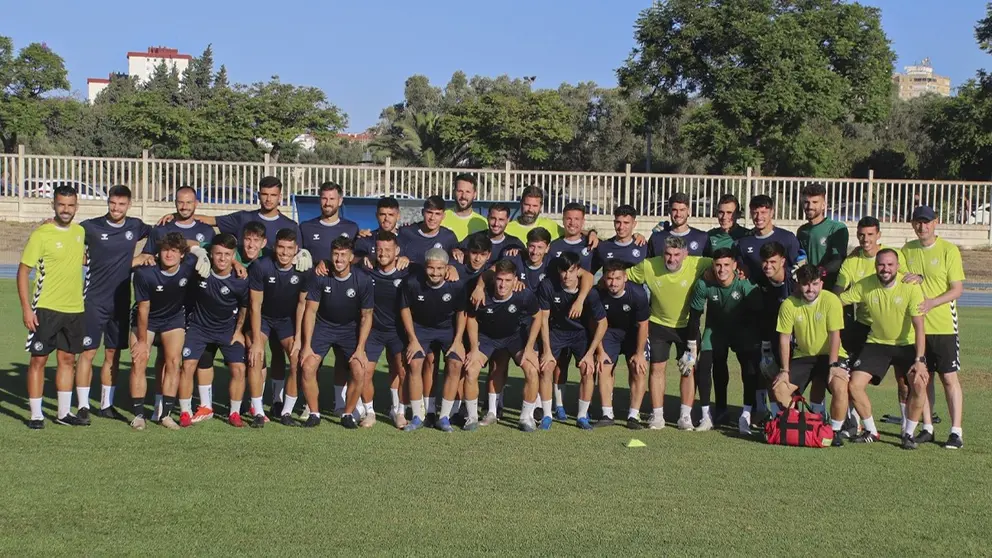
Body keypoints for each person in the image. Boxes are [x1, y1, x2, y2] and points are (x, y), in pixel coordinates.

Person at [838, 249, 927, 448]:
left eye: (890, 265)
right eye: (881, 265)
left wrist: (920, 360)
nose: (885, 269)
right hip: (877, 343)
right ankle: (871, 430)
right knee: (854, 385)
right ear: (876, 266)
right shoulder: (865, 284)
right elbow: (839, 300)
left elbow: (920, 327)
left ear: (897, 266)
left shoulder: (910, 287)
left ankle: (909, 434)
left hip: (907, 344)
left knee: (918, 384)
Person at [77, 185, 151, 422]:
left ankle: (106, 405)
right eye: (112, 203)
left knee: (113, 353)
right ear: (107, 202)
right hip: (93, 301)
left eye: (121, 204)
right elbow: (68, 235)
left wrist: (141, 257)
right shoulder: (91, 227)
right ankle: (82, 405)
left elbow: (159, 234)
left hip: (120, 302)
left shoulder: (135, 226)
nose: (116, 208)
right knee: (87, 352)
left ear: (129, 205)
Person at [17, 185, 87, 429]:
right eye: (61, 205)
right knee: (39, 360)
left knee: (68, 359)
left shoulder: (80, 232)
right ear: (53, 205)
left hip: (74, 309)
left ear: (76, 207)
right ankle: (36, 414)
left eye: (70, 205)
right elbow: (23, 271)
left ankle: (64, 412)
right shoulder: (42, 234)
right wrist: (27, 309)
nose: (65, 210)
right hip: (46, 308)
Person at [164, 234, 249, 428]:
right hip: (199, 328)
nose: (222, 258)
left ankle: (234, 413)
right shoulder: (200, 270)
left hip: (227, 330)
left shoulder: (240, 280)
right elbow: (184, 246)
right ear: (211, 254)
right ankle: (185, 412)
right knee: (187, 365)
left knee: (239, 369)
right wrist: (199, 252)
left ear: (233, 255)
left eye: (227, 254)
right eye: (218, 253)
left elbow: (244, 307)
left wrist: (238, 331)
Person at [626, 236, 711, 430]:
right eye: (667, 254)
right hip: (657, 325)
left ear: (686, 255)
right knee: (657, 369)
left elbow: (725, 265)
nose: (671, 259)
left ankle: (685, 416)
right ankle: (657, 416)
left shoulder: (699, 263)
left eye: (676, 255)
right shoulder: (648, 265)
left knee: (687, 369)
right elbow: (623, 276)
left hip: (687, 327)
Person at [188, 221, 267, 424]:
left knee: (257, 359)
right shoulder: (229, 251)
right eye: (247, 240)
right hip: (223, 316)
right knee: (205, 357)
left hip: (254, 315)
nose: (251, 245)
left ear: (264, 243)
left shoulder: (268, 256)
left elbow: (288, 252)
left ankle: (254, 406)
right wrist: (200, 253)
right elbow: (187, 243)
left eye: (256, 241)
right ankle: (206, 406)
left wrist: (305, 255)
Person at [902, 206, 966, 449]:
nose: (922, 226)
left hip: (944, 326)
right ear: (912, 225)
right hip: (917, 328)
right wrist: (913, 276)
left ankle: (956, 431)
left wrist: (931, 302)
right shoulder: (907, 250)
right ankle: (927, 427)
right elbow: (901, 275)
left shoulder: (948, 250)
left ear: (936, 222)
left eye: (927, 222)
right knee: (923, 379)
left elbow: (957, 289)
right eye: (918, 222)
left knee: (949, 378)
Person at [833, 216, 900, 437]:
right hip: (862, 328)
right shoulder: (852, 262)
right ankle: (854, 424)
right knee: (851, 377)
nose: (865, 239)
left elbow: (908, 282)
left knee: (906, 381)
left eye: (870, 234)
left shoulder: (889, 257)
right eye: (861, 234)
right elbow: (839, 291)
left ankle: (916, 427)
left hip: (894, 329)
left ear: (879, 235)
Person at [299, 237, 375, 429]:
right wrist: (306, 346)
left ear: (351, 257)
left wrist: (360, 348)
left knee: (359, 369)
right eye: (335, 254)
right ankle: (314, 413)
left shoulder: (363, 280)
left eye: (343, 255)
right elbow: (310, 312)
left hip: (349, 330)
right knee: (308, 366)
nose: (339, 259)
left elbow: (366, 316)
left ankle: (347, 414)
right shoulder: (320, 276)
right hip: (324, 327)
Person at [129, 232, 200, 430]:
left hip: (173, 318)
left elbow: (203, 244)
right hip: (146, 319)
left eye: (175, 251)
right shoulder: (145, 273)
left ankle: (165, 415)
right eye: (165, 250)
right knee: (139, 359)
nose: (169, 254)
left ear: (182, 254)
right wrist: (142, 341)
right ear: (159, 252)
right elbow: (143, 310)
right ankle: (138, 415)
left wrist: (199, 250)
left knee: (174, 362)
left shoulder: (189, 265)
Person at [774, 264, 850, 446]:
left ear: (821, 284)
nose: (811, 289)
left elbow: (835, 336)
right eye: (806, 284)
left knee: (840, 385)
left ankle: (835, 431)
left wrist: (833, 367)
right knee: (779, 389)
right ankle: (803, 423)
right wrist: (784, 370)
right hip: (804, 356)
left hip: (831, 355)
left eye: (815, 284)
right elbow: (784, 339)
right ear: (799, 284)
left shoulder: (831, 300)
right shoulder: (789, 304)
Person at [688, 248, 762, 432]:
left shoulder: (744, 284)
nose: (722, 269)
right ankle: (707, 415)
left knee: (749, 368)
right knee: (705, 365)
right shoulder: (704, 284)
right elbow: (695, 316)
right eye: (718, 265)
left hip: (742, 331)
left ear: (735, 266)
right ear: (713, 266)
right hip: (715, 331)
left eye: (727, 265)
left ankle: (746, 415)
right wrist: (691, 345)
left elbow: (758, 313)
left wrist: (757, 342)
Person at [463, 259, 542, 430]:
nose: (502, 285)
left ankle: (526, 418)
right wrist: (474, 349)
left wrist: (529, 348)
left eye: (507, 280)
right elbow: (471, 318)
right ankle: (472, 418)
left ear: (515, 280)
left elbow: (538, 316)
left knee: (532, 369)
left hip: (514, 337)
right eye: (499, 279)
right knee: (471, 370)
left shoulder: (524, 294)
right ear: (494, 278)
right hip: (487, 337)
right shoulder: (482, 294)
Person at [535, 252, 608, 430]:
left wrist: (591, 353)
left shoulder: (589, 293)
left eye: (571, 271)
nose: (567, 276)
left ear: (578, 271)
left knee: (587, 369)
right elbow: (543, 319)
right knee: (546, 367)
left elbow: (602, 324)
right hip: (556, 331)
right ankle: (546, 415)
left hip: (580, 333)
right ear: (559, 271)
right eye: (563, 271)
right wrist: (546, 350)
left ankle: (582, 416)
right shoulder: (547, 286)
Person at [399, 248, 467, 432]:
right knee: (415, 363)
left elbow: (462, 313)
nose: (435, 273)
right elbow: (405, 309)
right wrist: (412, 339)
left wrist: (458, 340)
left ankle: (444, 417)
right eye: (431, 268)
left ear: (447, 268)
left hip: (447, 330)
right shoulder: (412, 282)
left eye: (439, 268)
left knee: (455, 363)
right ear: (424, 267)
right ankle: (417, 416)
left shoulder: (456, 285)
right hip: (421, 328)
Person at [248, 228, 309, 428]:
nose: (284, 252)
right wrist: (257, 340)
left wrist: (299, 338)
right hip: (264, 318)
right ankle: (257, 412)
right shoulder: (261, 266)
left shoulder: (303, 269)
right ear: (274, 247)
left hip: (286, 321)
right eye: (281, 247)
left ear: (296, 249)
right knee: (255, 357)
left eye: (289, 248)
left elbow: (302, 305)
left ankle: (286, 412)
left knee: (296, 359)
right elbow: (255, 305)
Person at [159, 176, 304, 251]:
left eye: (273, 195)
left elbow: (297, 253)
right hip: (243, 278)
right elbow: (210, 220)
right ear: (259, 195)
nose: (268, 199)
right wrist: (177, 215)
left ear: (280, 197)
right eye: (265, 194)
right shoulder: (243, 218)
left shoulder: (290, 225)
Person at [356, 230, 411, 429]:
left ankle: (399, 411)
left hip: (397, 331)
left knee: (402, 371)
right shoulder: (365, 270)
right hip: (373, 332)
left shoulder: (407, 271)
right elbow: (344, 262)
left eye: (388, 250)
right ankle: (369, 412)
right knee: (364, 372)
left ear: (396, 251)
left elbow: (432, 269)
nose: (383, 253)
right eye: (379, 249)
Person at [594, 261, 650, 428]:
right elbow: (594, 324)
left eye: (618, 278)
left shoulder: (638, 294)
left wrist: (639, 354)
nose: (613, 283)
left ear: (625, 277)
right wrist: (600, 351)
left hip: (634, 333)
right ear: (604, 278)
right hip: (610, 332)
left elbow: (643, 325)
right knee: (603, 367)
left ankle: (633, 416)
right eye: (610, 278)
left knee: (638, 369)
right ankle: (607, 414)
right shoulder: (597, 293)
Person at [796, 183, 849, 290]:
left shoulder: (836, 228)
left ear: (824, 205)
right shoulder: (802, 231)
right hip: (810, 288)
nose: (810, 206)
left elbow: (838, 260)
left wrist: (819, 271)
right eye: (806, 202)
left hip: (832, 287)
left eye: (815, 202)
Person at [736, 195, 801, 280]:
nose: (759, 217)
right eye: (755, 212)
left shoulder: (787, 238)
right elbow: (742, 271)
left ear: (772, 213)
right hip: (755, 292)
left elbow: (798, 269)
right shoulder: (744, 242)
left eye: (763, 212)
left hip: (782, 291)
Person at [142, 185, 214, 253]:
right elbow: (147, 256)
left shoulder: (207, 230)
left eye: (189, 202)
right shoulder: (161, 229)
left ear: (196, 203)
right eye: (180, 202)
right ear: (175, 203)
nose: (184, 207)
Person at [299, 181, 359, 261]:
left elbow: (356, 258)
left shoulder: (352, 228)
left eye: (332, 199)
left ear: (340, 201)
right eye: (324, 198)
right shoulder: (305, 227)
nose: (327, 203)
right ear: (319, 200)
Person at [453, 202, 523, 265]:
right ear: (487, 218)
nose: (496, 224)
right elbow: (455, 253)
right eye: (493, 218)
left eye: (501, 219)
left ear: (507, 221)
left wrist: (520, 253)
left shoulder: (515, 243)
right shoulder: (473, 239)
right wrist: (455, 251)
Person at [397, 195, 458, 265]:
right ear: (423, 212)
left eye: (437, 214)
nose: (432, 218)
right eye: (429, 212)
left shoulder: (449, 237)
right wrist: (401, 258)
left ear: (443, 216)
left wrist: (452, 267)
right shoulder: (406, 233)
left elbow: (456, 262)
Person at [649, 192, 709, 257]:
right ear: (669, 211)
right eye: (674, 210)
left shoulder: (702, 237)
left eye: (682, 210)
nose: (678, 214)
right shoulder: (656, 238)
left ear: (689, 211)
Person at [592, 204, 647, 271]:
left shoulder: (643, 246)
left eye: (626, 223)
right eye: (618, 222)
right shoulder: (603, 247)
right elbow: (589, 274)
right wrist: (591, 232)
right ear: (614, 223)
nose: (621, 227)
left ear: (634, 224)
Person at [442, 173, 489, 241]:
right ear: (454, 192)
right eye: (460, 191)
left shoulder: (483, 223)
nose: (463, 196)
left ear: (474, 195)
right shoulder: (442, 218)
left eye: (468, 192)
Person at [548, 202, 595, 271]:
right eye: (568, 219)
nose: (572, 223)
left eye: (576, 219)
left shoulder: (592, 244)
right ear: (563, 220)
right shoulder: (553, 246)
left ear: (583, 221)